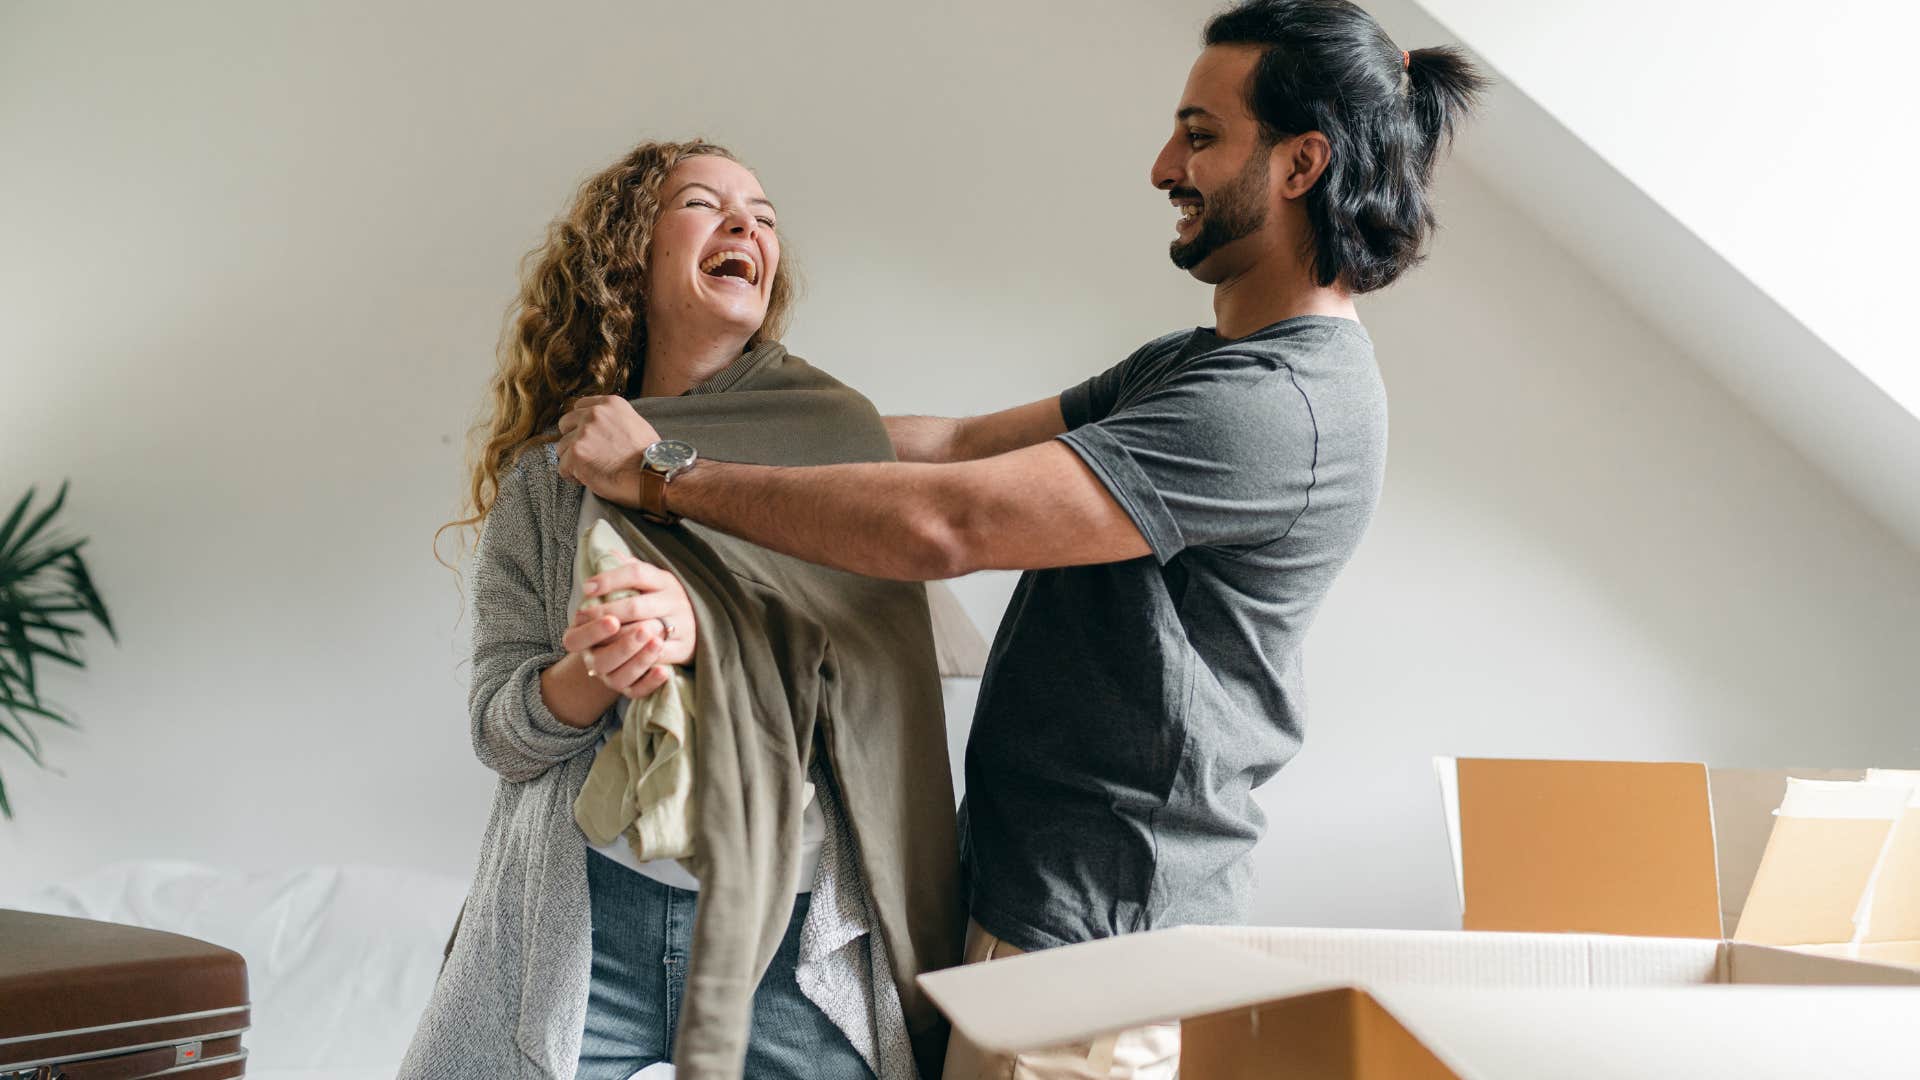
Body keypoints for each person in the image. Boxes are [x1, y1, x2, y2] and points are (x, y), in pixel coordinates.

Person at [560, 2, 1486, 1076]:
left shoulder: (1276, 406)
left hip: (1096, 952)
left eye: (1199, 134)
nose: (1161, 166)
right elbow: (949, 446)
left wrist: (668, 476)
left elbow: (950, 523)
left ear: (1300, 164)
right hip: (1041, 916)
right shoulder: (1198, 365)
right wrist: (696, 423)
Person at [404, 139, 959, 1080]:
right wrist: (589, 672)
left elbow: (878, 685)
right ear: (632, 255)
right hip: (587, 918)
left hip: (789, 931)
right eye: (705, 203)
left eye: (765, 215)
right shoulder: (551, 477)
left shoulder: (836, 442)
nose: (748, 223)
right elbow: (502, 735)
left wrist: (711, 632)